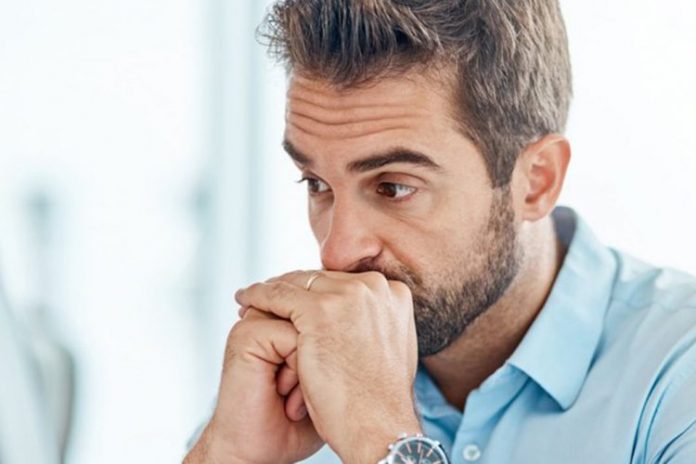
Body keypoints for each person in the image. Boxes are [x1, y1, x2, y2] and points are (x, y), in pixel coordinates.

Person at [184, 1, 696, 463]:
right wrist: (225, 456)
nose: (337, 252)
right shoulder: (290, 389)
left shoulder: (677, 377)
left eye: (394, 188)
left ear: (536, 181)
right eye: (317, 183)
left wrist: (383, 442)